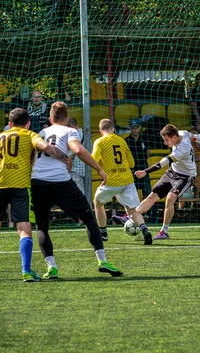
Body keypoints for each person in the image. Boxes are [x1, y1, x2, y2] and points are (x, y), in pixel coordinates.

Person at [0, 108, 69, 282]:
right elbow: (46, 147)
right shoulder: (30, 135)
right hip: (20, 186)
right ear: (28, 123)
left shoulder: (0, 137)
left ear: (10, 123)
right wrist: (65, 158)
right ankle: (26, 271)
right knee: (24, 229)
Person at [31, 102, 122, 278]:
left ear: (50, 119)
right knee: (89, 218)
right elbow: (78, 150)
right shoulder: (69, 131)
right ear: (66, 119)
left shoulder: (41, 133)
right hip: (60, 182)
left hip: (38, 182)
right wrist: (99, 168)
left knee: (42, 226)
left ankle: (52, 267)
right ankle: (102, 260)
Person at [112, 124, 200, 240]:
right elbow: (191, 136)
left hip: (185, 176)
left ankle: (164, 231)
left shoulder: (182, 149)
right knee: (152, 196)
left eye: (166, 140)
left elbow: (163, 162)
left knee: (170, 198)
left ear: (174, 137)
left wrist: (145, 171)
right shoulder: (183, 133)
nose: (165, 143)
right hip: (172, 172)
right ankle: (129, 218)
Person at [92, 118, 153, 245]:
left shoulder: (99, 141)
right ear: (113, 129)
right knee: (132, 210)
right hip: (127, 180)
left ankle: (103, 233)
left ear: (100, 131)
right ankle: (145, 230)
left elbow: (94, 160)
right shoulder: (122, 141)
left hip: (112, 180)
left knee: (98, 203)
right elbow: (131, 163)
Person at [124, 118, 155, 222]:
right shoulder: (126, 141)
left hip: (144, 169)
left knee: (148, 193)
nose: (135, 130)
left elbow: (148, 153)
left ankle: (152, 215)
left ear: (139, 128)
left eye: (136, 127)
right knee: (132, 194)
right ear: (130, 128)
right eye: (133, 128)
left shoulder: (145, 139)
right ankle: (133, 215)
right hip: (132, 171)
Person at [66, 117, 86, 194]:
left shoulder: (74, 136)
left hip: (75, 170)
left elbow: (70, 156)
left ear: (72, 127)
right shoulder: (85, 134)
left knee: (79, 194)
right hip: (86, 169)